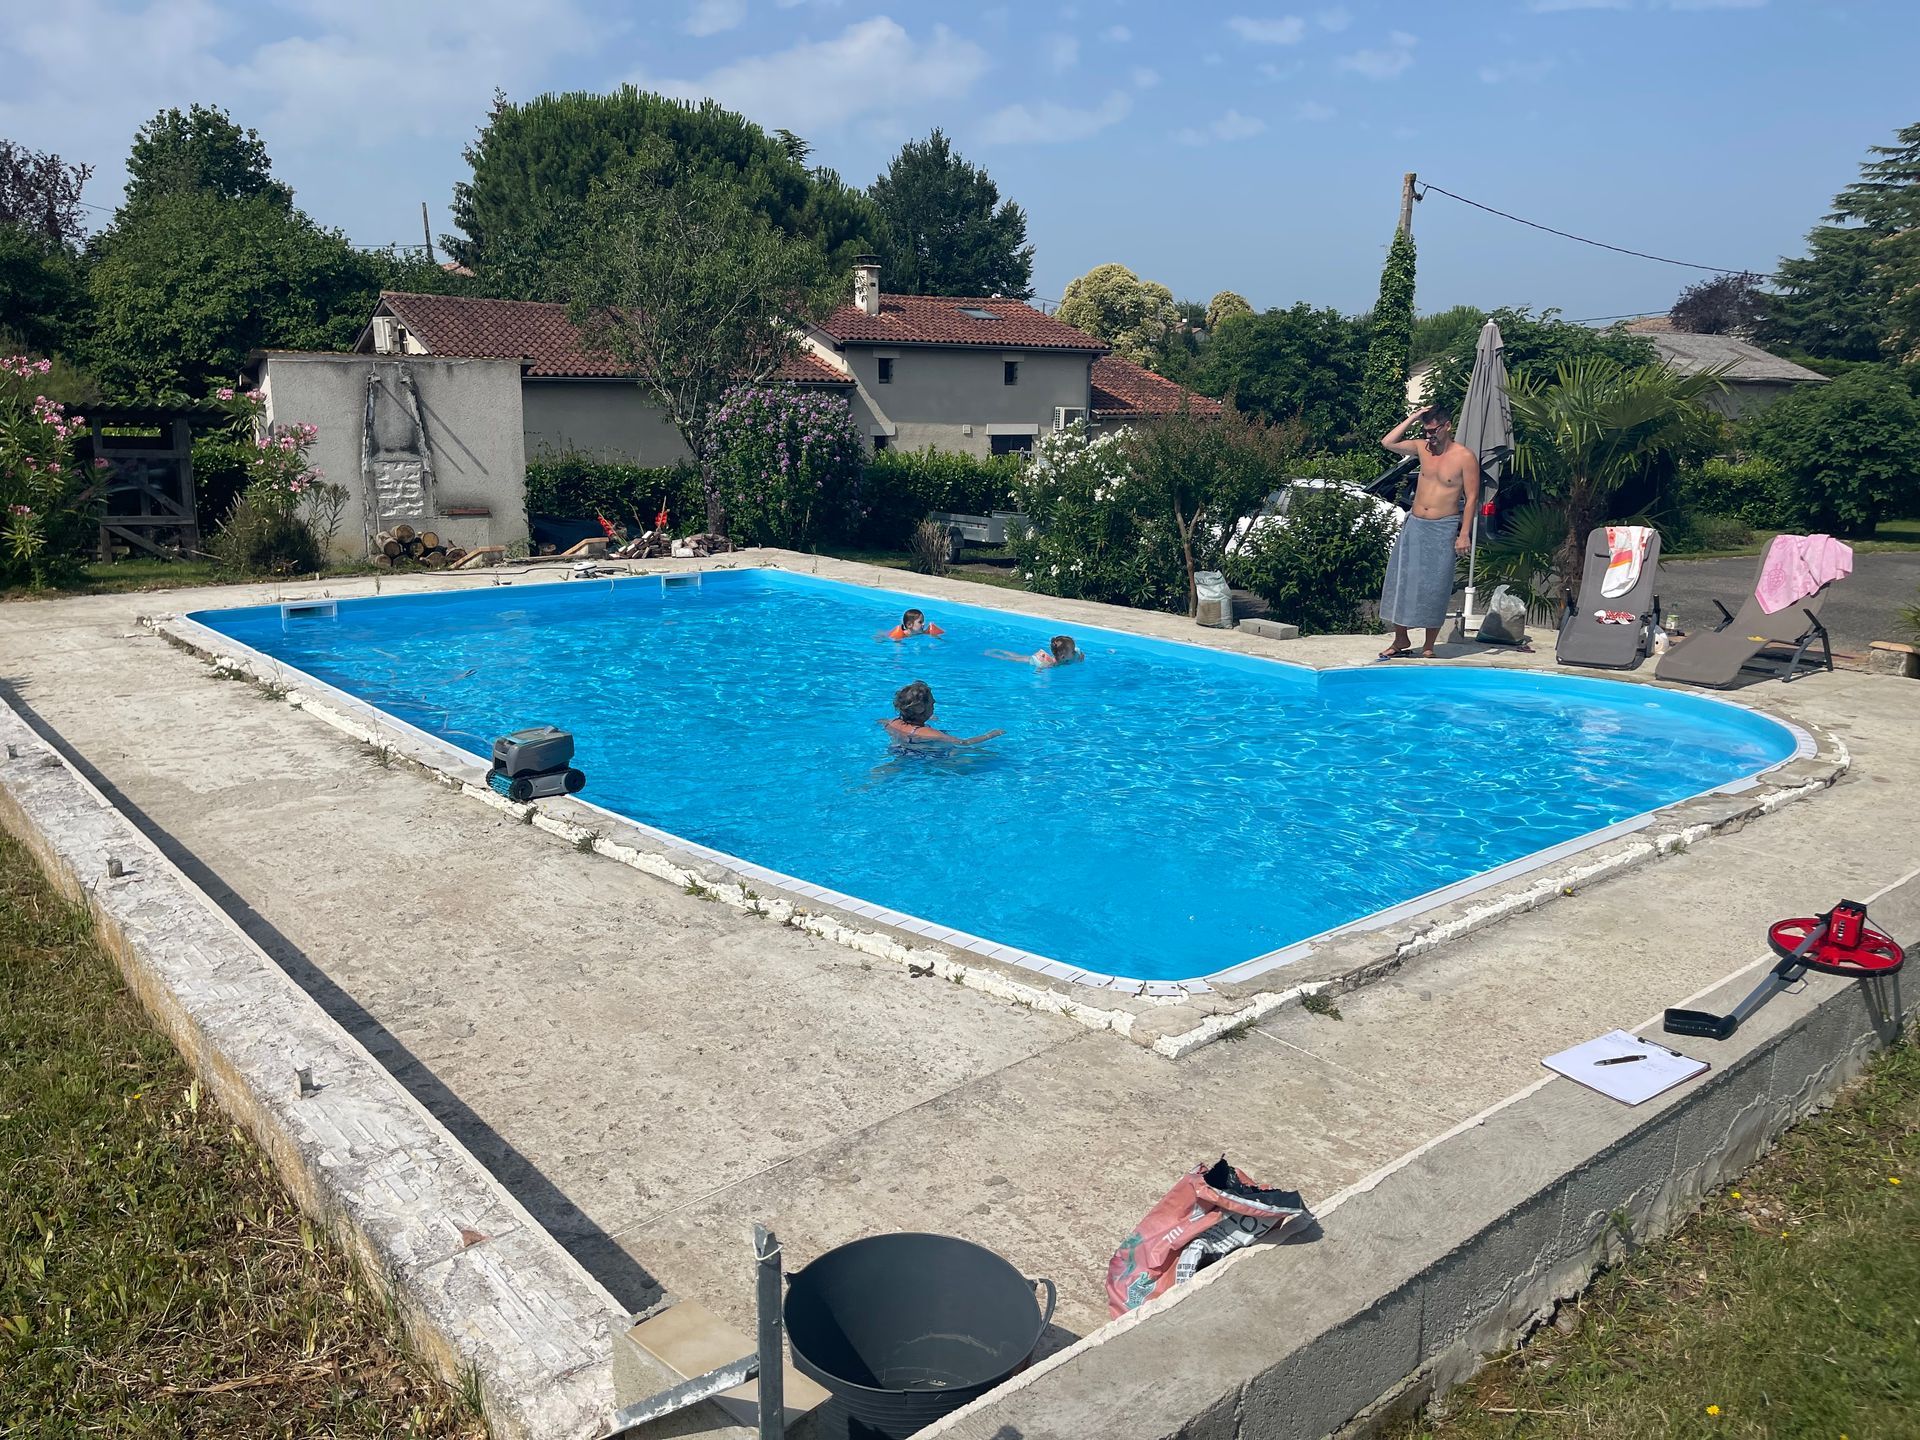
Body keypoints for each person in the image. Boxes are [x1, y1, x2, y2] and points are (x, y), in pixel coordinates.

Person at [1375, 404, 1480, 659]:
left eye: (1433, 430)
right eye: (1426, 430)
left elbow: (1473, 497)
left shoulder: (1464, 457)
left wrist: (1463, 533)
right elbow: (1388, 442)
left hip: (1443, 525)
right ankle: (1401, 639)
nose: (1429, 435)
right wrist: (1413, 416)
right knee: (1404, 581)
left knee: (1435, 584)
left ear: (1447, 426)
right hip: (1416, 524)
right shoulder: (1422, 448)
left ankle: (1429, 645)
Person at [882, 680, 1003, 746]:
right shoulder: (930, 733)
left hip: (899, 750)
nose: (934, 702)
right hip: (921, 757)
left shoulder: (892, 722)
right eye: (931, 703)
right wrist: (991, 734)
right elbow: (963, 742)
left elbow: (881, 722)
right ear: (920, 709)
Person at [986, 635, 1083, 669]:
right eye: (1072, 651)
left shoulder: (1073, 655)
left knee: (1020, 655)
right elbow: (1042, 668)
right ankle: (996, 654)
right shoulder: (1053, 662)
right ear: (1062, 656)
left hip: (1042, 658)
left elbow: (1081, 655)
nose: (1074, 652)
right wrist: (1039, 672)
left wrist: (1081, 658)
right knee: (1014, 659)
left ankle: (1000, 651)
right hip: (1036, 660)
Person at [878, 607, 945, 641]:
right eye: (920, 622)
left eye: (923, 621)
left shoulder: (921, 632)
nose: (923, 624)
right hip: (886, 635)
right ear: (909, 625)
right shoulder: (903, 635)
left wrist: (935, 636)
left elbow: (939, 639)